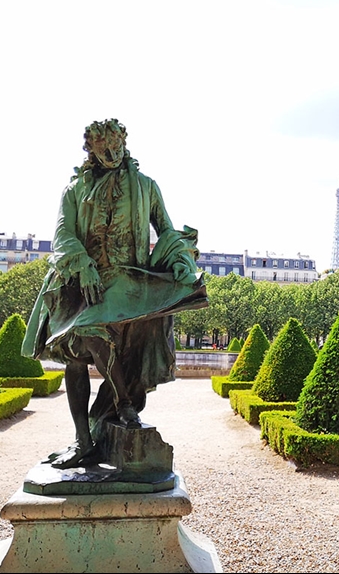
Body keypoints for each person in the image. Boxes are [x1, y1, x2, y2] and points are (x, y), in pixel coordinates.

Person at [23, 119, 207, 468]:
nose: (112, 153)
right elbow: (62, 237)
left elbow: (166, 230)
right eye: (104, 148)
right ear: (91, 149)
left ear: (125, 142)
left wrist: (182, 261)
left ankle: (119, 407)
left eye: (117, 146)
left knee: (89, 335)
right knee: (77, 352)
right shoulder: (74, 189)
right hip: (84, 284)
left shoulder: (147, 186)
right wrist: (83, 265)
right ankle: (87, 437)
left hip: (129, 284)